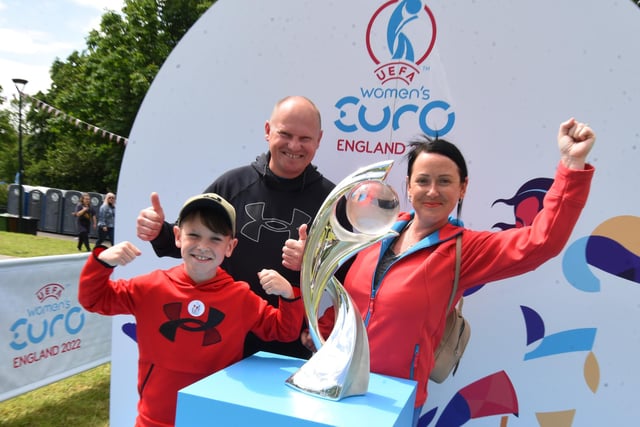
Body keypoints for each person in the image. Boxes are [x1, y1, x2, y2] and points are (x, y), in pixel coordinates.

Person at [300, 118, 596, 426]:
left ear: (462, 188)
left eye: (444, 181)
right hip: (336, 381)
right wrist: (323, 329)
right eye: (423, 180)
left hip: (391, 399)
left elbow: (541, 242)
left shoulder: (465, 250)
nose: (432, 191)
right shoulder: (377, 230)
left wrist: (571, 167)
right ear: (409, 186)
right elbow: (353, 298)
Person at [136, 95, 338, 360]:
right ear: (268, 131)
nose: (293, 146)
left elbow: (349, 275)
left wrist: (312, 266)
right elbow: (195, 244)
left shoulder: (331, 202)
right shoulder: (233, 185)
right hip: (220, 331)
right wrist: (158, 231)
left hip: (291, 341)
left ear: (319, 139)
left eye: (305, 138)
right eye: (285, 134)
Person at [79, 193, 304, 427]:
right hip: (153, 419)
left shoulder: (240, 297)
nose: (203, 246)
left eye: (215, 239)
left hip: (213, 418)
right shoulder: (150, 287)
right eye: (194, 235)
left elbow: (283, 331)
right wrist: (102, 262)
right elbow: (94, 299)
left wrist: (288, 294)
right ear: (178, 236)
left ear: (230, 246)